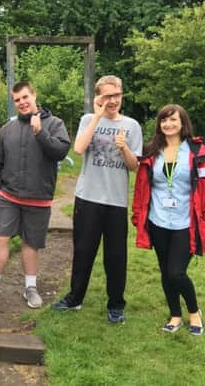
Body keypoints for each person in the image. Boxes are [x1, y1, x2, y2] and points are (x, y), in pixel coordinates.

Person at [52, 75, 142, 323]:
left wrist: (124, 147)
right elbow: (79, 149)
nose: (112, 101)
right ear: (98, 97)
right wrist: (98, 117)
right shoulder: (88, 120)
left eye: (117, 95)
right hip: (87, 198)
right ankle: (75, 299)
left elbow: (134, 166)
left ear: (122, 95)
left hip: (116, 201)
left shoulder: (132, 126)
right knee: (83, 251)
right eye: (107, 96)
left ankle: (116, 305)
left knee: (115, 256)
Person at [0, 82, 70, 308]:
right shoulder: (8, 129)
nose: (22, 103)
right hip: (8, 196)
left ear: (34, 95)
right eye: (17, 100)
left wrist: (40, 132)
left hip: (39, 197)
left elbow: (60, 152)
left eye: (25, 97)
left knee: (31, 243)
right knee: (0, 238)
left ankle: (30, 288)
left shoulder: (55, 124)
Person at [132, 104, 205, 335]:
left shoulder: (197, 151)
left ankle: (194, 312)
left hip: (186, 223)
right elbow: (141, 188)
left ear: (183, 123)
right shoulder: (152, 150)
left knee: (176, 273)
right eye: (164, 120)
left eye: (173, 120)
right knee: (165, 271)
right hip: (158, 221)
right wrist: (138, 216)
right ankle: (175, 315)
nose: (168, 124)